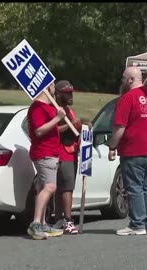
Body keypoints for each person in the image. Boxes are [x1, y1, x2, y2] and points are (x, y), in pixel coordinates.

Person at [108, 67, 147, 236]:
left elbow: (119, 127)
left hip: (134, 148)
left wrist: (112, 146)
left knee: (134, 187)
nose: (122, 81)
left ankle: (137, 223)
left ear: (130, 80)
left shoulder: (127, 98)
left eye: (123, 78)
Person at [26, 81, 66, 240]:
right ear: (47, 87)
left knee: (43, 186)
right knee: (50, 186)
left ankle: (42, 223)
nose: (54, 89)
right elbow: (39, 130)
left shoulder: (49, 107)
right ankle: (35, 223)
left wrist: (65, 124)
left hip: (52, 152)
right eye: (53, 85)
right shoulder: (37, 107)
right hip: (44, 153)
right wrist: (57, 118)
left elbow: (51, 129)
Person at [53, 80, 84, 235]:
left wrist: (81, 126)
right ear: (58, 94)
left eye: (71, 92)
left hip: (70, 151)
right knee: (66, 188)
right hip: (61, 153)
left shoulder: (68, 110)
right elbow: (53, 130)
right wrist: (71, 124)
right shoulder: (55, 110)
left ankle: (59, 219)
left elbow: (73, 128)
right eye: (67, 93)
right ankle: (67, 220)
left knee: (63, 188)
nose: (71, 95)